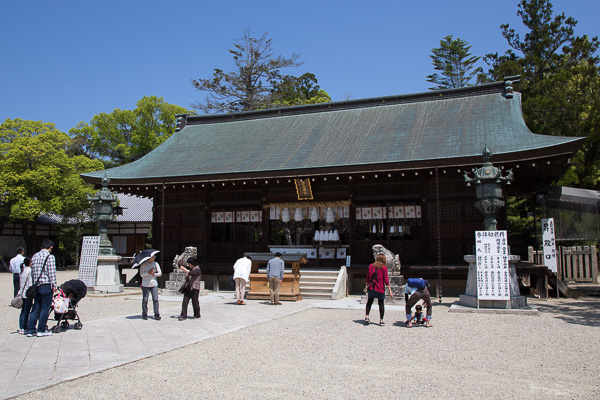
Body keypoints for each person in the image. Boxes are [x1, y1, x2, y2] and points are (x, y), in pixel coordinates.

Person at [26, 239, 57, 337]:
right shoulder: (49, 257)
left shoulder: (35, 256)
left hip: (37, 285)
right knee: (45, 308)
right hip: (46, 284)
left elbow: (32, 272)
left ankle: (30, 329)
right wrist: (54, 285)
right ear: (50, 247)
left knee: (35, 308)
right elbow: (51, 272)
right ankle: (41, 329)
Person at [364, 253, 393, 325]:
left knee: (369, 302)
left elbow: (368, 277)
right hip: (380, 288)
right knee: (381, 304)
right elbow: (386, 280)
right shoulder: (384, 268)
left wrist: (367, 286)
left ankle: (367, 316)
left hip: (371, 287)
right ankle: (381, 320)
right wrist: (390, 290)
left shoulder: (371, 266)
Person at [140, 255, 162, 320]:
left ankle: (156, 313)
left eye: (154, 256)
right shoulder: (143, 265)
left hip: (154, 283)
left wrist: (154, 274)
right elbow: (141, 274)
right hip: (145, 284)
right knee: (145, 299)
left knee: (155, 299)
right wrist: (148, 273)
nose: (154, 258)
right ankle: (144, 313)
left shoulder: (155, 264)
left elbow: (160, 273)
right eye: (153, 257)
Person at [17, 258, 33, 335]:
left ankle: (21, 327)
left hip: (23, 293)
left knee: (23, 311)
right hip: (28, 293)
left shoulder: (22, 271)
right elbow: (29, 283)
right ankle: (24, 327)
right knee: (27, 311)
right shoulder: (29, 271)